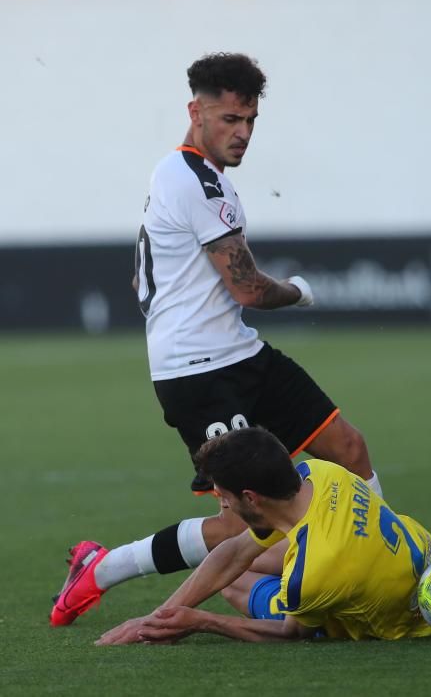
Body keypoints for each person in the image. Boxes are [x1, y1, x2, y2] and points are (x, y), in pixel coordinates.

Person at [50, 53, 381, 627]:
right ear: (195, 112)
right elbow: (249, 289)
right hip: (198, 374)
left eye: (250, 121)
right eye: (230, 119)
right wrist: (301, 291)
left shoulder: (179, 176)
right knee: (240, 524)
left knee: (348, 449)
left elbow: (144, 278)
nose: (243, 133)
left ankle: (379, 563)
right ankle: (101, 571)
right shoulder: (195, 180)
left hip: (240, 353)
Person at [94, 427, 431, 645]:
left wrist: (201, 620)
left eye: (223, 497)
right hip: (426, 568)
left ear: (250, 498)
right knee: (240, 559)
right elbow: (233, 554)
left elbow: (291, 634)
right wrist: (157, 619)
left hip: (402, 623)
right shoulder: (321, 473)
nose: (223, 504)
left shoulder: (311, 576)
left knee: (232, 582)